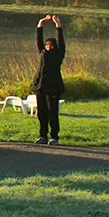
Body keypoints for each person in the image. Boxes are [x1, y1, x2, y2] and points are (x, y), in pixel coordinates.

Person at [32, 14, 65, 145]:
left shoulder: (59, 54)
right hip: (40, 86)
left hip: (53, 87)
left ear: (55, 46)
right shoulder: (42, 53)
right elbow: (38, 39)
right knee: (41, 113)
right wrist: (40, 23)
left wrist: (58, 25)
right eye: (47, 45)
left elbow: (61, 41)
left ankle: (54, 136)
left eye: (51, 45)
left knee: (52, 112)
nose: (48, 47)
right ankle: (42, 135)